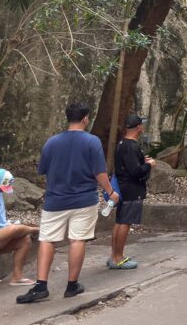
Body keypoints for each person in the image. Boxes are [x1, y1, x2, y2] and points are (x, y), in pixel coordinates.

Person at [17, 102, 118, 304]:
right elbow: (100, 172)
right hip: (84, 198)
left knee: (47, 239)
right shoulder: (92, 142)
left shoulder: (51, 142)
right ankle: (72, 285)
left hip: (55, 199)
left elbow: (43, 170)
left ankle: (41, 285)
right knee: (77, 240)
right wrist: (110, 192)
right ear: (85, 119)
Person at [108, 114, 154, 270]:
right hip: (131, 189)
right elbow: (135, 172)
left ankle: (114, 256)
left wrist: (142, 160)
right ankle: (119, 258)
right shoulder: (130, 146)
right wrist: (149, 165)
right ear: (139, 127)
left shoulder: (122, 143)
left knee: (120, 221)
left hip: (123, 187)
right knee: (125, 223)